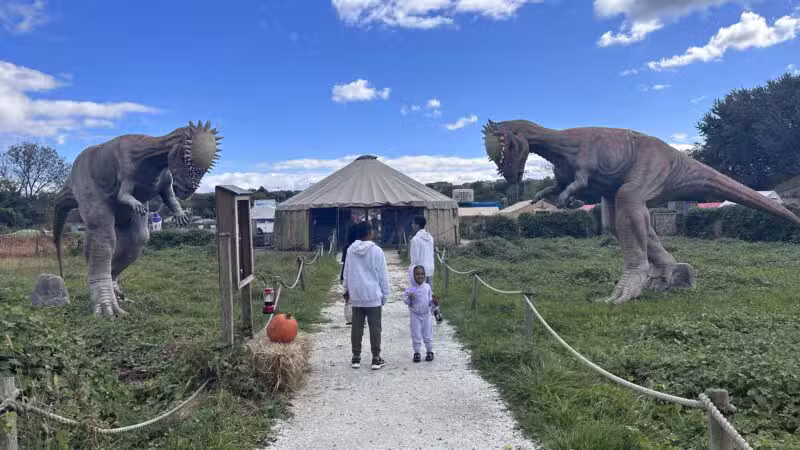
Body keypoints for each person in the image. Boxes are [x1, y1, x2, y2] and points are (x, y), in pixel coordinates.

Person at [343, 221, 390, 370]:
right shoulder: (377, 251)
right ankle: (376, 358)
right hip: (373, 295)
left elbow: (347, 272)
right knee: (375, 328)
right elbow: (383, 275)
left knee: (356, 328)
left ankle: (356, 357)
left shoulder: (351, 250)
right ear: (370, 232)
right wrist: (385, 294)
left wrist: (347, 290)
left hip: (357, 296)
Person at [410, 216, 442, 323]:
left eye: (413, 223)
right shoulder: (430, 237)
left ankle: (422, 315)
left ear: (418, 225)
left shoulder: (416, 239)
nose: (412, 225)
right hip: (430, 268)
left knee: (420, 293)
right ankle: (436, 310)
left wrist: (413, 272)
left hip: (420, 271)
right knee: (430, 291)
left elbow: (415, 259)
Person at [403, 265, 435, 362]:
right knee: (416, 333)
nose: (420, 276)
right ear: (413, 275)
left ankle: (429, 351)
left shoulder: (427, 287)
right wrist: (409, 298)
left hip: (426, 314)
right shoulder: (411, 289)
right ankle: (417, 352)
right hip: (415, 315)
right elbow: (405, 300)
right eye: (417, 274)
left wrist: (434, 302)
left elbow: (430, 299)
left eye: (422, 274)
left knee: (428, 333)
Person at [340, 227, 358, 325]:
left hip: (349, 273)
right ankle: (358, 316)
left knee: (348, 297)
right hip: (357, 273)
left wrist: (342, 276)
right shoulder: (357, 246)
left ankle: (349, 317)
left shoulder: (346, 246)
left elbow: (344, 263)